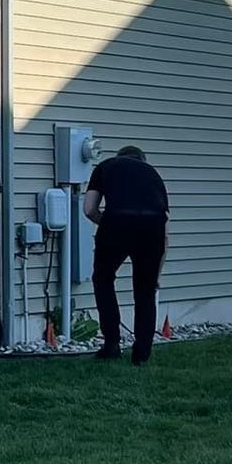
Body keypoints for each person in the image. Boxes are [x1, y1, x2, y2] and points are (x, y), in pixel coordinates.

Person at [83, 144, 169, 364]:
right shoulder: (153, 175)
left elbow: (89, 209)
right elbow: (164, 234)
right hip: (152, 227)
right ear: (143, 159)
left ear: (119, 157)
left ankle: (111, 343)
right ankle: (141, 355)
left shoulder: (105, 166)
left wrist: (110, 224)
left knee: (103, 278)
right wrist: (156, 277)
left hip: (117, 222)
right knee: (145, 289)